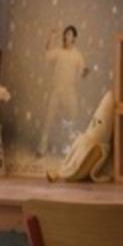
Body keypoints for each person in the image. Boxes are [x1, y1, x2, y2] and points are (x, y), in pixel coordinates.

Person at [39, 25, 89, 155]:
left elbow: (83, 71)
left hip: (70, 92)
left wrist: (85, 72)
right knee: (49, 119)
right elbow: (47, 56)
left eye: (70, 34)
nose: (67, 37)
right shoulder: (59, 52)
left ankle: (71, 149)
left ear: (74, 38)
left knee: (72, 118)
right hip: (56, 90)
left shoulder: (77, 55)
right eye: (66, 34)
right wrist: (51, 37)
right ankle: (42, 148)